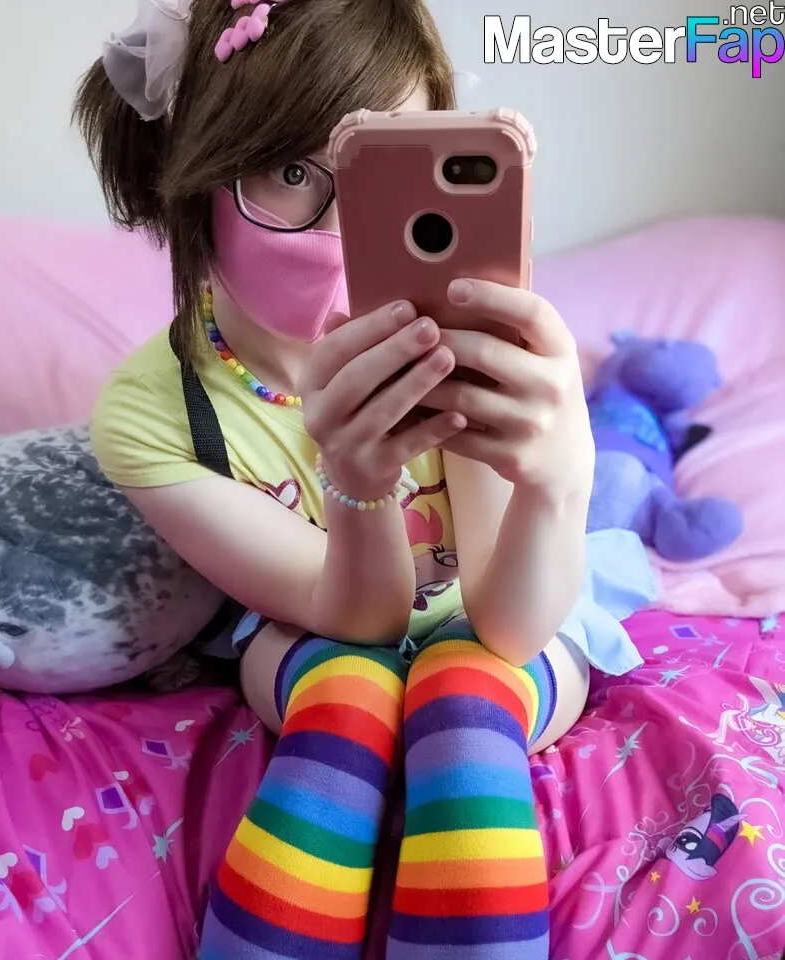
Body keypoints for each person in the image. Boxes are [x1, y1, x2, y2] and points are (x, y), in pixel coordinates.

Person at [75, 1, 655, 957]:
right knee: (347, 690)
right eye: (293, 170)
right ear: (195, 174)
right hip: (318, 625)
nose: (344, 227)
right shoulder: (154, 415)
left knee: (467, 693)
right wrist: (359, 481)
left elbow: (511, 625)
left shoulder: (462, 336)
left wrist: (560, 481)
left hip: (512, 614)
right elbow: (357, 620)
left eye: (380, 167)